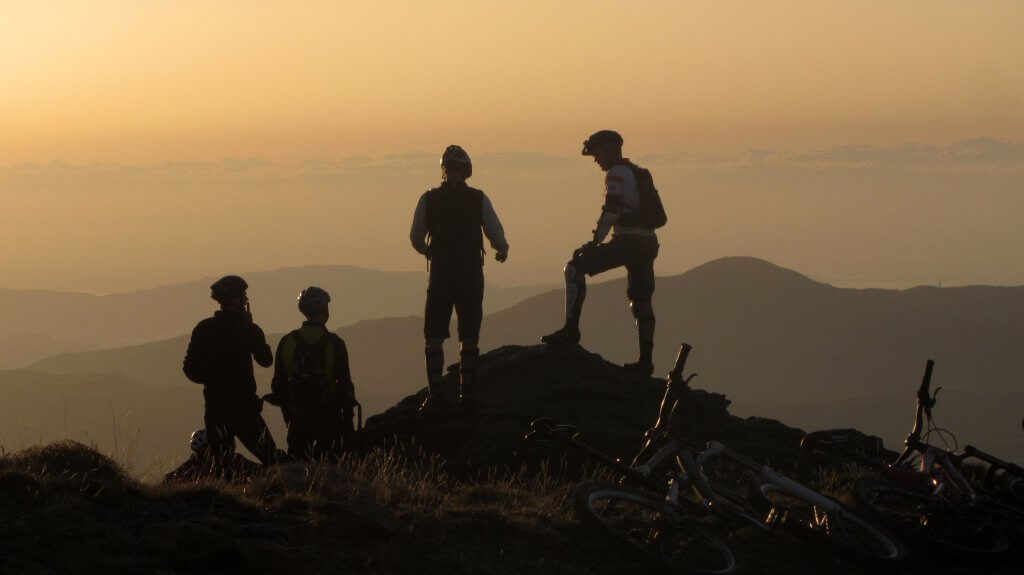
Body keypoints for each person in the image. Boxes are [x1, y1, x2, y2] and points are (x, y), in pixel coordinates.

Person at [542, 130, 662, 376]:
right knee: (641, 299)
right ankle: (645, 360)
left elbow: (611, 210)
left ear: (607, 150)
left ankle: (570, 330)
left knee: (574, 268)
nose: (595, 160)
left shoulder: (616, 173)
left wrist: (595, 241)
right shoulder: (640, 173)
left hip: (627, 240)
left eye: (596, 154)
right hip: (648, 242)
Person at [410, 145, 509, 411]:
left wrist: (429, 252)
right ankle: (467, 393)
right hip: (470, 273)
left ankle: (435, 394)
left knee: (434, 334)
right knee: (469, 333)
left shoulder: (428, 199)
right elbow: (495, 232)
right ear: (466, 170)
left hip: (441, 273)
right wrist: (502, 249)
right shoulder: (478, 198)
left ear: (444, 170)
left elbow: (416, 237)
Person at [182, 275, 283, 468]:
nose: (246, 299)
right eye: (243, 295)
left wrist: (212, 379)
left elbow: (189, 368)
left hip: (215, 406)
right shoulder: (248, 329)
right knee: (270, 457)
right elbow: (266, 360)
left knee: (221, 462)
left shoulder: (203, 328)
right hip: (245, 406)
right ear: (236, 299)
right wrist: (251, 327)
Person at [270, 286, 356, 460]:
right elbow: (345, 384)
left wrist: (289, 415)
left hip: (298, 416)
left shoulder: (288, 342)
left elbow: (278, 385)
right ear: (324, 309)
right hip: (329, 415)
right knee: (331, 464)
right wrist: (348, 420)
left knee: (298, 464)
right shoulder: (335, 343)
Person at [163, 428, 261, 483]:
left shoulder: (235, 460)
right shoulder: (193, 464)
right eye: (199, 451)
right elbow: (170, 478)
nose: (203, 454)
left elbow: (259, 471)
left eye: (205, 449)